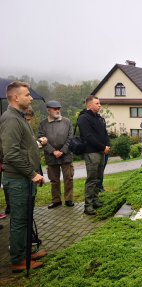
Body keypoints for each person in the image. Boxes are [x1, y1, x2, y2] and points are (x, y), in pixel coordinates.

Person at [0, 81, 47, 271]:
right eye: (27, 94)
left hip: (25, 179)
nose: (31, 98)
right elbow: (10, 153)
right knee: (19, 220)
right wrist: (31, 173)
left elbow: (25, 147)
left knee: (26, 218)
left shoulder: (19, 117)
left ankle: (26, 252)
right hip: (18, 179)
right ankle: (18, 260)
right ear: (16, 97)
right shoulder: (10, 119)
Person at [38, 100, 75, 209]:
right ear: (48, 110)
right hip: (51, 156)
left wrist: (62, 151)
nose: (57, 110)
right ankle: (56, 200)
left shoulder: (67, 121)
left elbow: (70, 138)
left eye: (59, 108)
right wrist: (53, 151)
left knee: (68, 178)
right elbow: (41, 139)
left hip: (66, 154)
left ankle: (69, 199)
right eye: (55, 109)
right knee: (54, 180)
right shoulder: (43, 123)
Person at [77, 95, 110, 215]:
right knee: (91, 179)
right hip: (91, 152)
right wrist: (102, 147)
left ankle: (95, 200)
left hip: (102, 152)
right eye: (97, 103)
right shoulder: (83, 118)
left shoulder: (99, 118)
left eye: (99, 103)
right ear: (89, 105)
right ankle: (88, 205)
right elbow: (88, 137)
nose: (99, 105)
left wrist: (107, 146)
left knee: (98, 178)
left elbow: (104, 133)